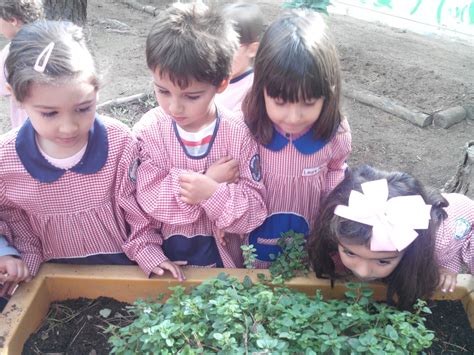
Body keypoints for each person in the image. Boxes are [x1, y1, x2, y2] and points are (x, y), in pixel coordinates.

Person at [0, 20, 179, 282]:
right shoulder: (6, 160)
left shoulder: (118, 141)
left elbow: (136, 208)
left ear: (96, 89)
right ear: (16, 96)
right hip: (43, 279)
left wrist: (149, 252)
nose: (69, 126)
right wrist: (7, 254)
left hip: (122, 273)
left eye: (83, 108)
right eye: (49, 113)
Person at [131, 2, 267, 271]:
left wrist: (211, 193)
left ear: (221, 84)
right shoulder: (149, 132)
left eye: (192, 96)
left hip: (223, 269)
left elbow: (255, 209)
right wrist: (210, 183)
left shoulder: (238, 134)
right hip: (167, 264)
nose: (174, 107)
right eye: (163, 91)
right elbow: (144, 200)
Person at [242, 10, 352, 267]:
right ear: (261, 90)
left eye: (308, 103)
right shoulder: (246, 127)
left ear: (329, 94)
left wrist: (333, 210)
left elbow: (336, 168)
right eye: (280, 102)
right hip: (253, 236)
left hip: (308, 231)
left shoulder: (336, 132)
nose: (292, 117)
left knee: (301, 276)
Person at [308, 164, 473, 310]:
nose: (363, 272)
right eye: (350, 252)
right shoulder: (336, 223)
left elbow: (465, 233)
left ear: (410, 250)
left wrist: (448, 268)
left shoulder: (439, 242)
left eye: (383, 261)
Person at [0, 0, 43, 129]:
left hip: (26, 127)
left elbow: (4, 88)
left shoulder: (10, 53)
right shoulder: (57, 41)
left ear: (13, 20)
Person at [214, 2, 264, 113]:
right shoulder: (215, 75)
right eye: (216, 46)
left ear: (252, 50)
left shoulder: (251, 87)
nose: (220, 54)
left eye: (230, 48)